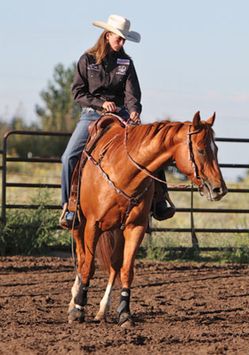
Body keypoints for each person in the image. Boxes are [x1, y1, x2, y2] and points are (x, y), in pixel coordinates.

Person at [60, 14, 175, 229]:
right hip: (91, 114)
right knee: (68, 157)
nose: (121, 43)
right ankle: (69, 207)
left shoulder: (126, 62)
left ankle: (159, 201)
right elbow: (78, 92)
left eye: (124, 40)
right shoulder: (87, 59)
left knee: (151, 148)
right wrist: (100, 104)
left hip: (121, 115)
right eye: (119, 38)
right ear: (107, 35)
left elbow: (133, 93)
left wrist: (133, 112)